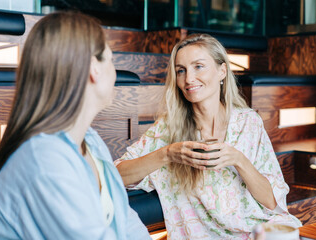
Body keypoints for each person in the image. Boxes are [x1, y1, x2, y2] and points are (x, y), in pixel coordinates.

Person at [115, 33, 302, 239]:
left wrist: (238, 159)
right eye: (181, 71)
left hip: (262, 232)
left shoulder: (248, 122)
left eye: (198, 66)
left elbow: (271, 201)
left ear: (222, 71)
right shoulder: (169, 130)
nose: (189, 79)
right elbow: (117, 175)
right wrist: (167, 154)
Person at [0, 11, 150, 240]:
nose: (115, 72)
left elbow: (126, 221)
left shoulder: (91, 142)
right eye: (111, 59)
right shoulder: (43, 160)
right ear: (94, 68)